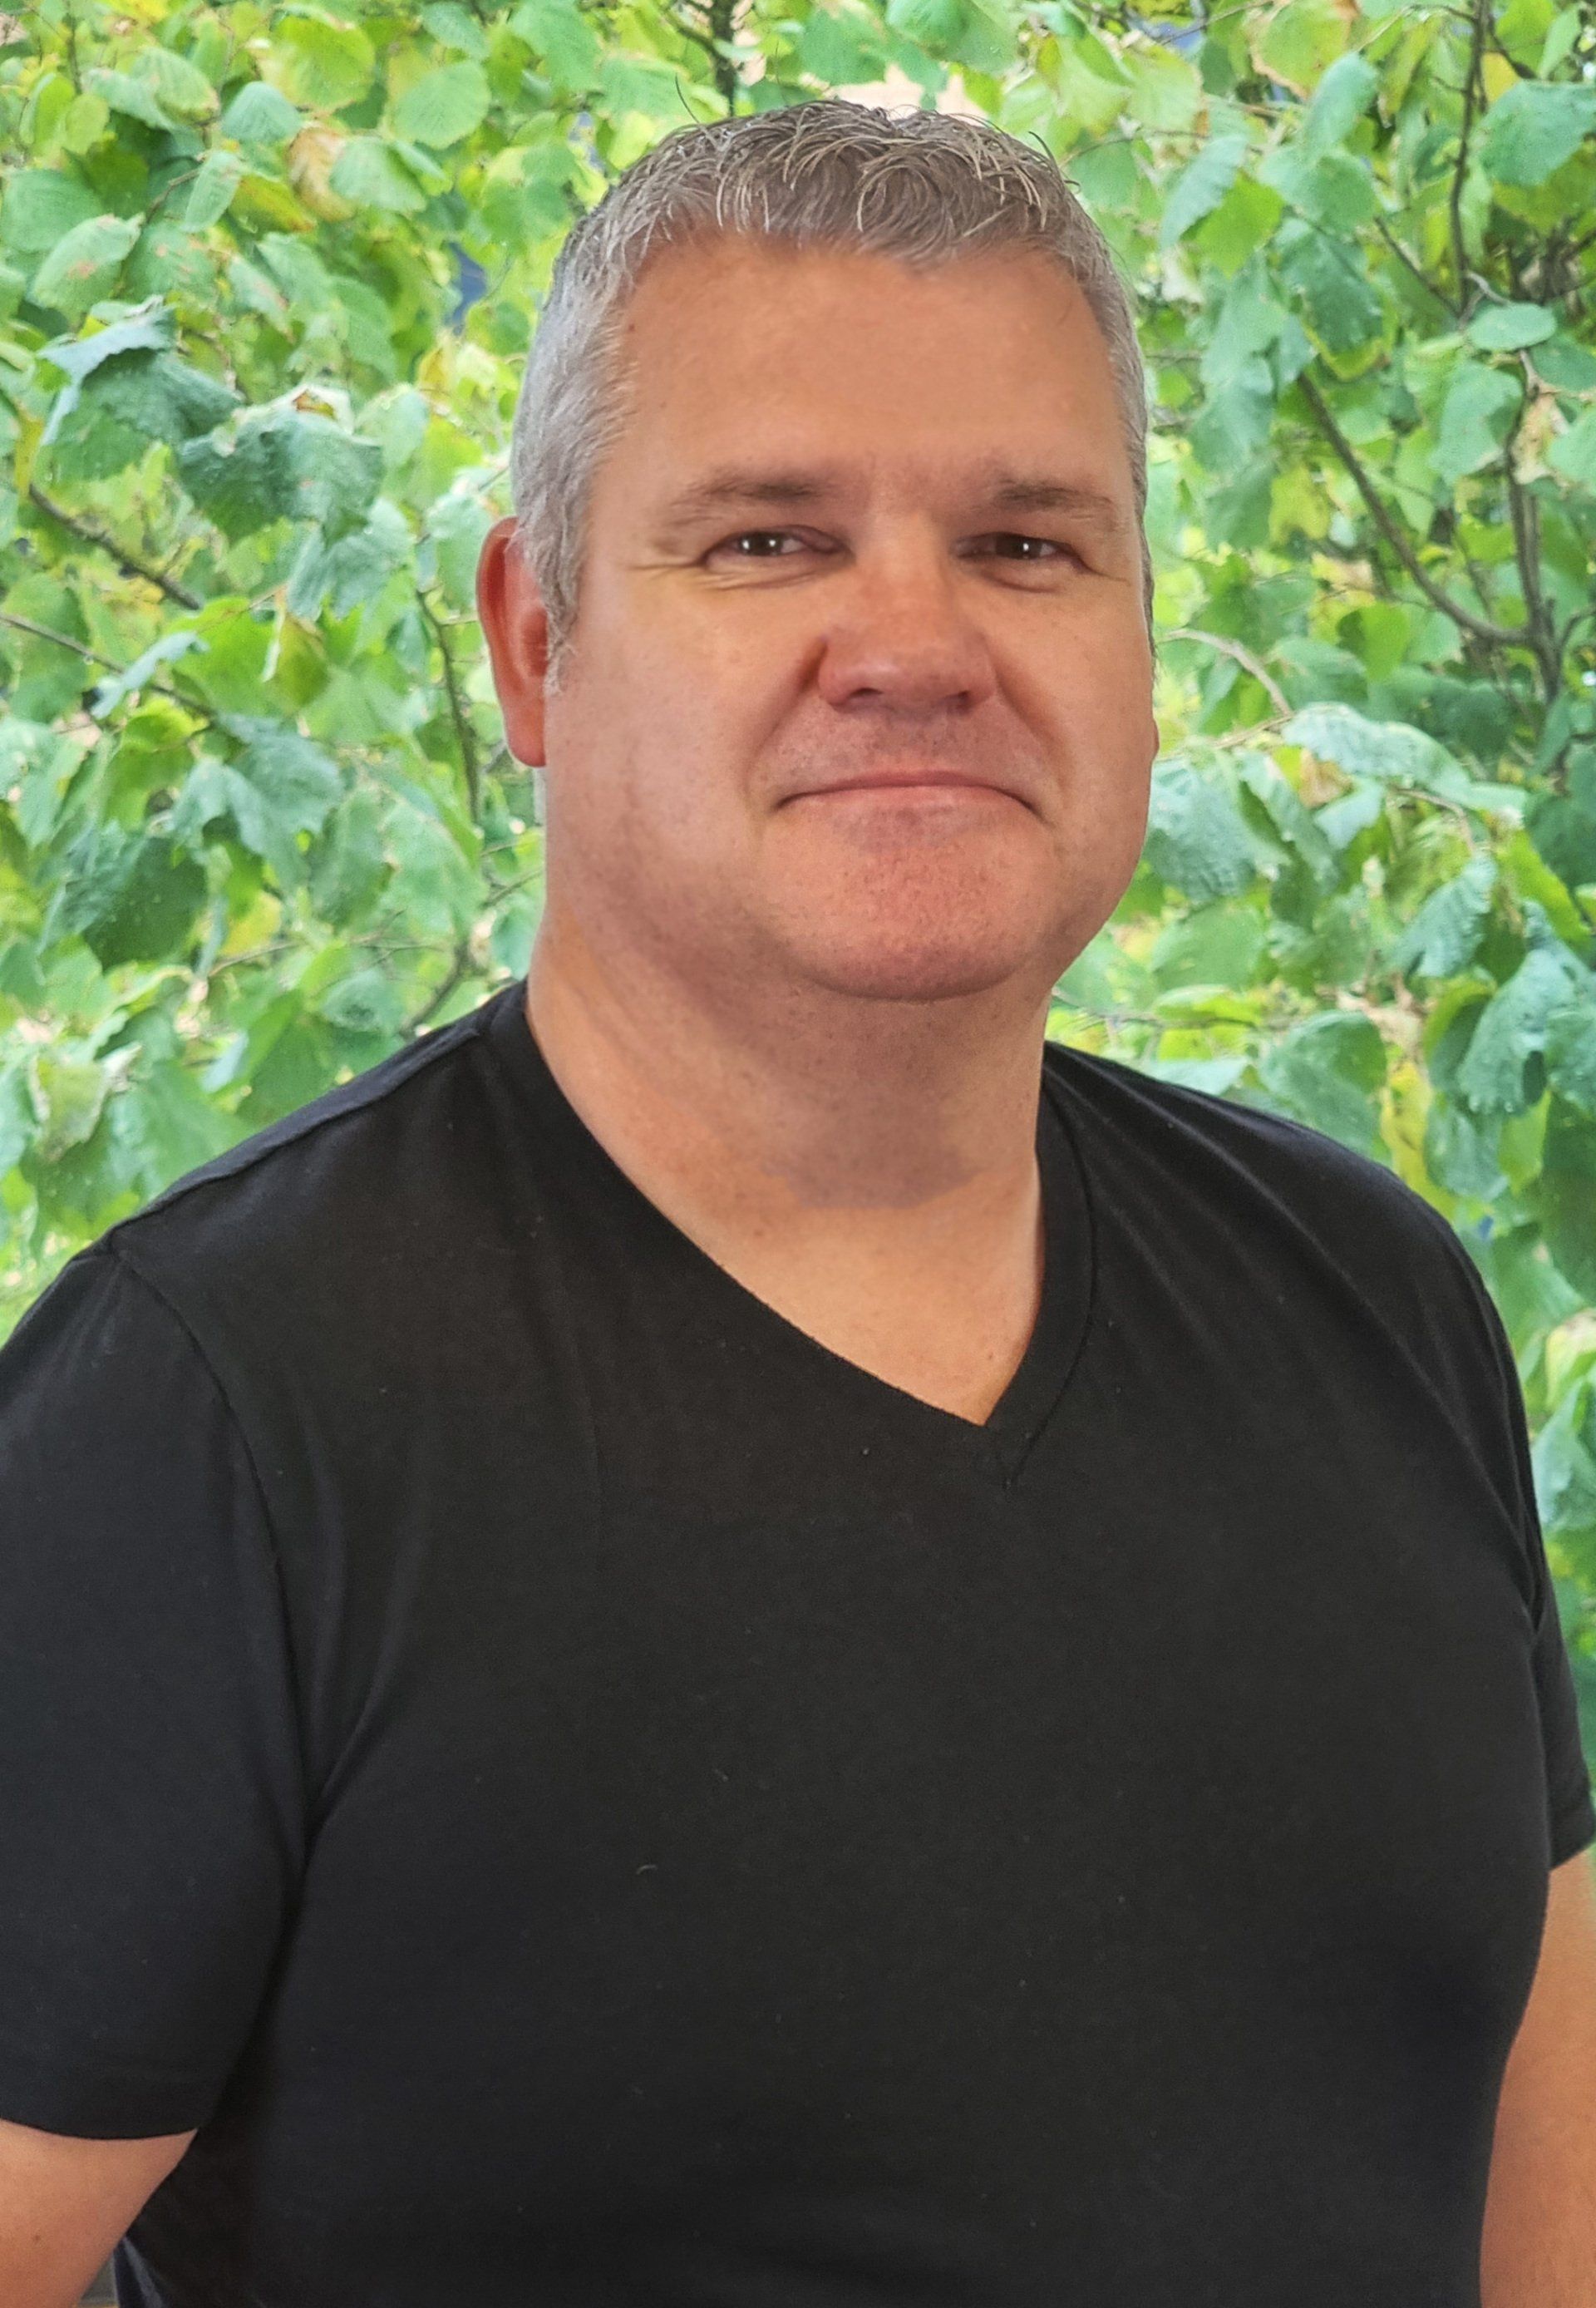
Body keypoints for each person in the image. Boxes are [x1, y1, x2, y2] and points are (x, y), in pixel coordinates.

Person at [1, 96, 1592, 2308]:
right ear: (534, 644)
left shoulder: (1379, 1306)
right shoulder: (207, 1414)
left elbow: (1547, 2218)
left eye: (1030, 546)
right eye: (768, 541)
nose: (915, 639)